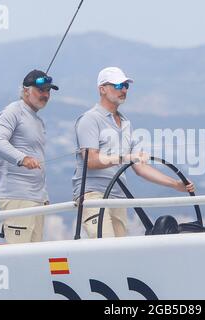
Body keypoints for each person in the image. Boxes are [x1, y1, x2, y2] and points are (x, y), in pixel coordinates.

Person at [72, 66, 195, 238]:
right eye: (117, 85)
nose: (123, 90)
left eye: (125, 86)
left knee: (120, 250)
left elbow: (140, 167)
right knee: (104, 244)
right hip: (93, 194)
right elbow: (90, 161)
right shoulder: (89, 119)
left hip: (118, 197)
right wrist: (127, 157)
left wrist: (175, 184)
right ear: (102, 89)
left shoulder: (126, 124)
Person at [0, 70, 58, 244]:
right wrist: (22, 158)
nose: (45, 95)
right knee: (18, 256)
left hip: (37, 198)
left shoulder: (37, 119)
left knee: (35, 257)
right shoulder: (13, 111)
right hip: (17, 197)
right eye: (41, 90)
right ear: (26, 90)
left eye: (48, 91)